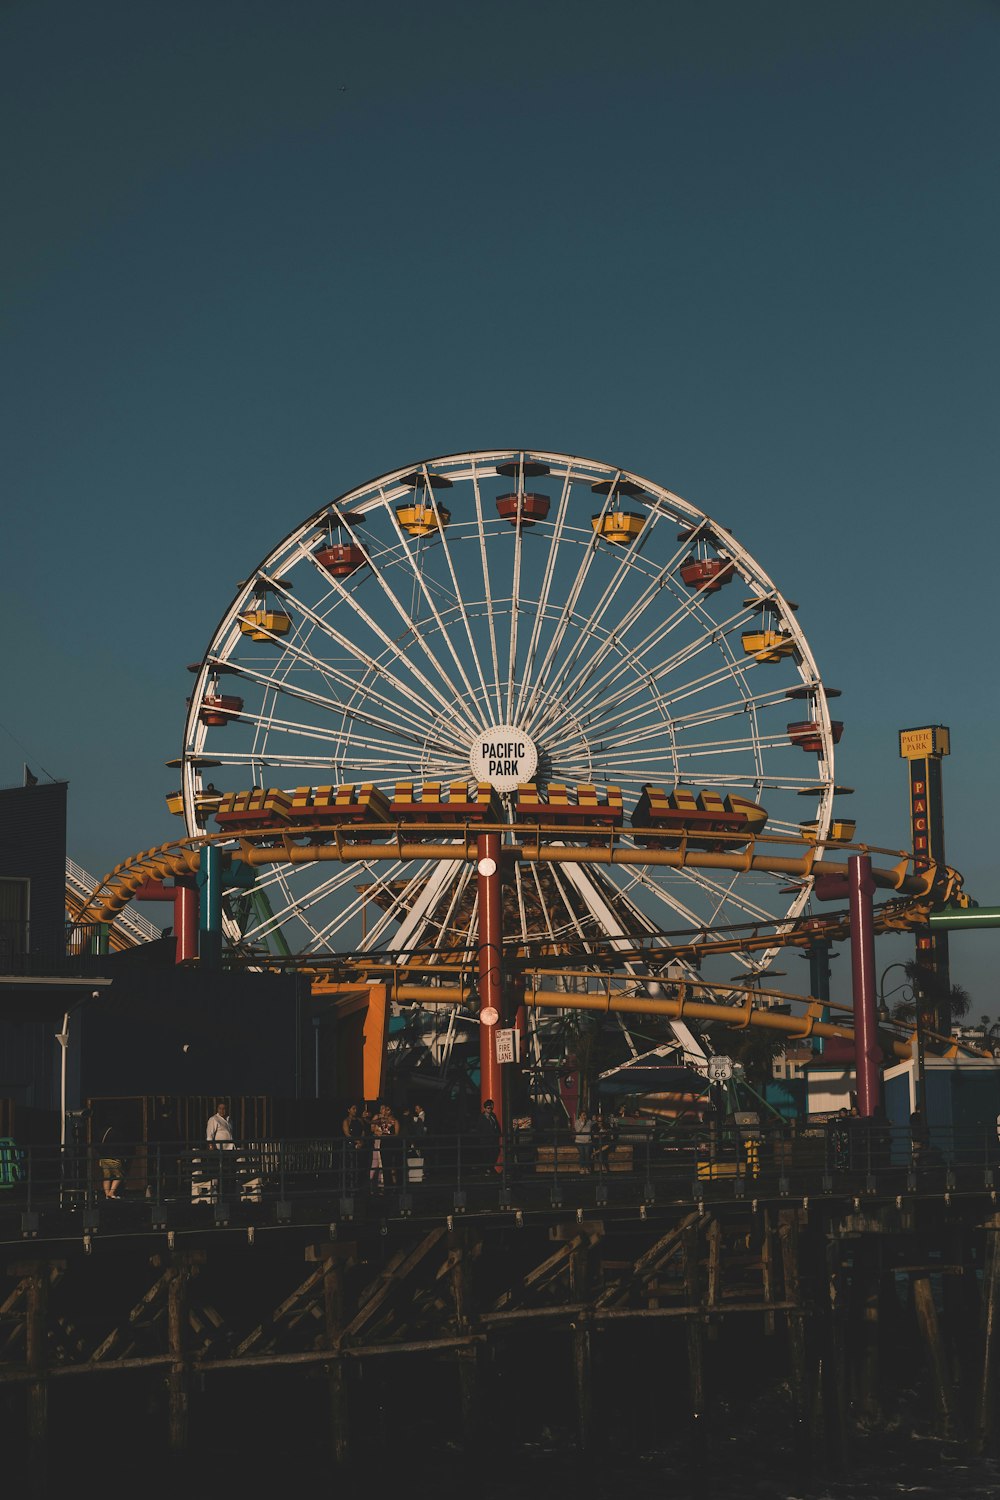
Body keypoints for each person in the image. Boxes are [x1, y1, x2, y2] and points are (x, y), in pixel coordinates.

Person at [476, 1098, 502, 1175]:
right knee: (487, 1156)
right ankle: (488, 1169)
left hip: (493, 1140)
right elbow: (479, 1129)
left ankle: (489, 1169)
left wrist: (498, 1134)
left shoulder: (493, 1116)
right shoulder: (481, 1118)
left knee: (495, 1152)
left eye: (491, 1107)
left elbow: (497, 1126)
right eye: (489, 1108)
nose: (490, 1109)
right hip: (486, 1141)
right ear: (485, 1108)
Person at [99, 1125, 125, 1200]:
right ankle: (111, 1193)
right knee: (119, 1176)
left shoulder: (103, 1132)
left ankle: (107, 1195)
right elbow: (121, 1146)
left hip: (104, 1157)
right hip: (114, 1157)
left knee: (106, 1177)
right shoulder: (118, 1133)